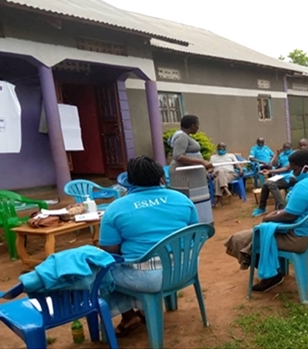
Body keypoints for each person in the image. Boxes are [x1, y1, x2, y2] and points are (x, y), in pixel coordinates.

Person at [99, 156, 199, 336]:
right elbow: (194, 234)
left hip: (147, 278)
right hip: (185, 269)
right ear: (161, 176)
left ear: (129, 181)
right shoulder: (182, 199)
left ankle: (129, 316)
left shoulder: (115, 209)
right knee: (125, 264)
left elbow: (110, 251)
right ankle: (144, 310)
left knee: (101, 269)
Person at [224, 149, 308, 292]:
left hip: (298, 237)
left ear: (306, 168)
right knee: (252, 237)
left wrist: (267, 218)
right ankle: (273, 270)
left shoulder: (305, 186)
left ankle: (272, 275)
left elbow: (290, 216)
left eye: (295, 170)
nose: (293, 173)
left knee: (240, 239)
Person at [168, 115, 214, 224]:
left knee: (197, 201)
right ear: (192, 126)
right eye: (197, 125)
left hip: (192, 178)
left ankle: (201, 223)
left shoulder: (185, 136)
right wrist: (202, 162)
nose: (198, 127)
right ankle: (195, 224)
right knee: (190, 201)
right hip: (185, 178)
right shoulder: (182, 137)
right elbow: (178, 156)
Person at [252, 139, 308, 217]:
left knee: (270, 184)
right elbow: (286, 168)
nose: (303, 147)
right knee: (267, 184)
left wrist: (297, 177)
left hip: (300, 180)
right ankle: (262, 208)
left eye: (305, 145)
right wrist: (269, 171)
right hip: (288, 177)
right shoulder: (296, 156)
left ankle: (282, 208)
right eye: (301, 146)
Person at [210, 142, 244, 208]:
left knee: (217, 179)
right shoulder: (213, 157)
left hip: (230, 174)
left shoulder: (231, 156)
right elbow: (211, 168)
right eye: (219, 147)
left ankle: (219, 200)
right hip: (217, 173)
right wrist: (207, 172)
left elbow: (237, 165)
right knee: (220, 171)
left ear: (226, 148)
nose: (221, 149)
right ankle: (226, 190)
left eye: (223, 147)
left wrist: (241, 169)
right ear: (217, 148)